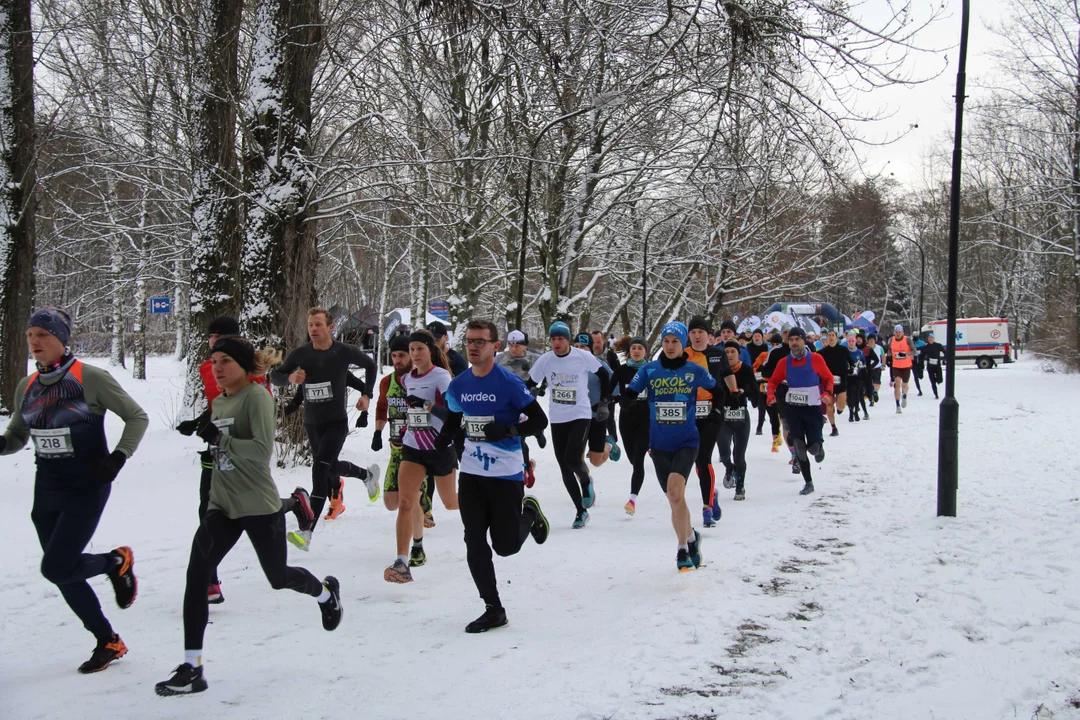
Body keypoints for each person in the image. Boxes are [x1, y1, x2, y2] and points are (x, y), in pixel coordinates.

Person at [155, 336, 341, 696]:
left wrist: (218, 438)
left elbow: (260, 451)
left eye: (225, 361)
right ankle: (192, 667)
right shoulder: (220, 400)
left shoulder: (258, 397)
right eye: (213, 362)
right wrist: (199, 426)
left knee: (278, 577)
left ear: (243, 365)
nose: (218, 368)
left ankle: (325, 594)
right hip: (222, 504)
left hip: (257, 504)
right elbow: (220, 431)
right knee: (197, 577)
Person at [1, 309, 147, 674]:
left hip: (87, 485)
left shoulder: (90, 378)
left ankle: (116, 562)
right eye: (30, 334)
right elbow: (18, 437)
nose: (34, 342)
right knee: (63, 570)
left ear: (62, 340)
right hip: (47, 489)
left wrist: (118, 457)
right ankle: (107, 640)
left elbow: (137, 416)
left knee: (56, 565)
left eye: (43, 335)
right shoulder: (27, 386)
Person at [436, 320, 551, 633]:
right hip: (472, 472)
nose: (473, 347)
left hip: (506, 472)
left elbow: (539, 420)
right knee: (473, 539)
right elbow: (455, 417)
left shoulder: (509, 382)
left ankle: (529, 512)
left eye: (480, 342)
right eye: (470, 341)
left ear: (495, 347)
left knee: (505, 547)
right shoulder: (459, 384)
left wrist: (508, 429)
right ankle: (493, 608)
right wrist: (442, 440)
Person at [271, 307, 379, 551]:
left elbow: (371, 366)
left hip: (336, 422)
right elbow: (276, 376)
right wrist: (290, 379)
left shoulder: (342, 352)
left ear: (330, 327)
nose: (313, 329)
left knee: (320, 471)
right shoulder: (301, 354)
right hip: (312, 422)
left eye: (318, 324)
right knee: (328, 467)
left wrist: (367, 395)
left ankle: (307, 531)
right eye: (310, 325)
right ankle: (366, 475)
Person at [625, 322, 727, 572]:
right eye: (666, 341)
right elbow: (629, 392)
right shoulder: (650, 370)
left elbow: (719, 391)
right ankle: (692, 537)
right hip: (658, 443)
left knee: (674, 490)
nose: (670, 346)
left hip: (687, 441)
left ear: (684, 345)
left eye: (675, 342)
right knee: (675, 498)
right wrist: (630, 404)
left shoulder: (694, 370)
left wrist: (717, 410)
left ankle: (682, 550)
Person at [384, 330, 460, 583]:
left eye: (420, 349)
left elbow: (452, 415)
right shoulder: (406, 380)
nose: (415, 354)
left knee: (451, 503)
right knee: (406, 502)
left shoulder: (441, 377)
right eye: (412, 349)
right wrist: (404, 429)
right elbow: (410, 413)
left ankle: (492, 501)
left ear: (431, 351)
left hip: (439, 447)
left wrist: (428, 406)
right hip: (413, 447)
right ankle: (402, 563)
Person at [527, 322, 609, 528]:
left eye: (560, 339)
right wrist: (527, 393)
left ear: (568, 340)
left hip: (580, 414)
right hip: (557, 418)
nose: (556, 343)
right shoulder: (545, 360)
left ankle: (586, 480)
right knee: (564, 468)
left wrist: (604, 402)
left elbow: (604, 375)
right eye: (553, 339)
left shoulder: (582, 356)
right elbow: (530, 382)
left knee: (573, 460)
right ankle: (581, 511)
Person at [371, 335, 434, 567]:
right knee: (391, 502)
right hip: (395, 449)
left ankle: (417, 547)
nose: (397, 360)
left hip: (416, 450)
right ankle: (420, 502)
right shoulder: (387, 382)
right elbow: (381, 407)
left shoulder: (417, 380)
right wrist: (377, 433)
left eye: (402, 355)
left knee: (410, 501)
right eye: (394, 355)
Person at [766, 327, 834, 496]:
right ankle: (808, 482)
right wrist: (770, 395)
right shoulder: (784, 363)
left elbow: (828, 378)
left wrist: (827, 393)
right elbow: (773, 381)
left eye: (798, 339)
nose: (794, 343)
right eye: (791, 340)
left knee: (812, 448)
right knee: (798, 445)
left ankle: (819, 448)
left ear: (804, 341)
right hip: (793, 408)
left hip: (812, 408)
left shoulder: (816, 359)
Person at [684, 316, 737, 528]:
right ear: (689, 336)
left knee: (704, 456)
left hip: (713, 411)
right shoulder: (683, 354)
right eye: (694, 332)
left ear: (709, 335)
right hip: (688, 413)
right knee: (697, 459)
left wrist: (734, 393)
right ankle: (711, 491)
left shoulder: (717, 354)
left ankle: (707, 506)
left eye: (701, 332)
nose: (697, 336)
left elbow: (727, 374)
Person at [495, 330, 545, 487]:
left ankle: (537, 432)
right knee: (517, 435)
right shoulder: (499, 358)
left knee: (523, 432)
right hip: (506, 403)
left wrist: (542, 387)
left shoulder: (535, 358)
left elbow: (550, 372)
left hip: (526, 401)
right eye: (510, 344)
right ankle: (525, 468)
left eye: (517, 345)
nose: (513, 348)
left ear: (524, 345)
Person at [613, 337, 651, 515]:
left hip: (645, 420)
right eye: (634, 348)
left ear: (646, 352)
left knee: (638, 461)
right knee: (632, 459)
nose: (636, 351)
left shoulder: (651, 371)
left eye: (640, 348)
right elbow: (609, 391)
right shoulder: (621, 371)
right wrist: (618, 400)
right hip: (626, 419)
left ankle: (632, 499)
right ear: (629, 351)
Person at [717, 341, 759, 501]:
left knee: (739, 454)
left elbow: (754, 391)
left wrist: (743, 392)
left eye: (732, 351)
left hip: (741, 415)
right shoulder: (719, 370)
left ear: (738, 353)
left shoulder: (746, 370)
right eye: (726, 352)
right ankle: (729, 468)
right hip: (723, 416)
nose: (729, 355)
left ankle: (740, 487)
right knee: (724, 453)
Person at [576, 333, 620, 468]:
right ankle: (586, 486)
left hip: (596, 416)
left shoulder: (599, 365)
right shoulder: (569, 366)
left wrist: (604, 402)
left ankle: (609, 445)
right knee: (577, 457)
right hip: (577, 416)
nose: (580, 349)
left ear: (590, 348)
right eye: (576, 346)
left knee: (596, 461)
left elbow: (615, 384)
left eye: (583, 346)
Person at [817, 329, 852, 437]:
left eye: (833, 335)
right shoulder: (822, 353)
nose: (831, 337)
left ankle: (840, 408)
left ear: (836, 337)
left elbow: (851, 362)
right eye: (829, 335)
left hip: (841, 381)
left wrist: (851, 369)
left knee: (841, 406)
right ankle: (833, 427)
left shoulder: (843, 350)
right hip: (828, 382)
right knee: (829, 404)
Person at [754, 333, 784, 449]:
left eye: (777, 344)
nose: (774, 346)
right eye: (772, 344)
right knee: (770, 413)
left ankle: (780, 432)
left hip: (780, 388)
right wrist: (760, 375)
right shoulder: (763, 355)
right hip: (765, 387)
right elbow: (755, 368)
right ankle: (775, 439)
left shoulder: (783, 355)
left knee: (781, 413)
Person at [885, 324, 916, 413]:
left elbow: (914, 351)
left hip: (906, 365)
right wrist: (888, 358)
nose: (897, 334)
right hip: (896, 366)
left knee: (904, 385)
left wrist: (906, 354)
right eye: (896, 332)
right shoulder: (891, 339)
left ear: (902, 333)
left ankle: (905, 395)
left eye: (899, 332)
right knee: (897, 384)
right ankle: (897, 405)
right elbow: (890, 351)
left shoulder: (907, 339)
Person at [843, 333, 868, 422]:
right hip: (848, 376)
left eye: (853, 341)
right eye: (849, 341)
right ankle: (850, 412)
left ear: (855, 342)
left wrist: (861, 367)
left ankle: (856, 412)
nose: (851, 343)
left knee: (857, 393)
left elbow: (863, 363)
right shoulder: (845, 352)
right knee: (849, 394)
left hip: (857, 376)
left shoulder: (859, 352)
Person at [919, 331, 945, 399]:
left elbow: (945, 352)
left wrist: (946, 359)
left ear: (934, 338)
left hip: (937, 366)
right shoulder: (926, 347)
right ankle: (936, 394)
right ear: (928, 339)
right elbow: (922, 355)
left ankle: (938, 380)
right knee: (932, 382)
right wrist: (920, 363)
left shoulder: (938, 345)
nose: (930, 339)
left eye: (932, 337)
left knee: (940, 380)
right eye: (929, 337)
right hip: (930, 367)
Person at [866, 334, 884, 403]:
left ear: (875, 340)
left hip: (877, 367)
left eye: (872, 340)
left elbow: (883, 356)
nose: (871, 341)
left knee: (877, 383)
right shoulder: (865, 348)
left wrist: (883, 364)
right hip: (868, 368)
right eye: (870, 340)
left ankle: (875, 392)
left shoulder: (879, 348)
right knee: (870, 383)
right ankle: (872, 399)